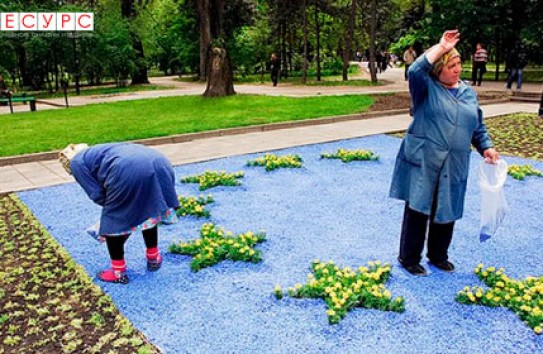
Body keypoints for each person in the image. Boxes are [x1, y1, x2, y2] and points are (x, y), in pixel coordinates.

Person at [390, 29, 499, 276]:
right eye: (450, 65)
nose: (457, 69)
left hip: (454, 162)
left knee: (446, 206)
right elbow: (416, 69)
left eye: (459, 63)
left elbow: (477, 126)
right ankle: (409, 258)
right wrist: (441, 47)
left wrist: (486, 147)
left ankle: (438, 255)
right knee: (418, 207)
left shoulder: (468, 92)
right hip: (425, 160)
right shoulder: (425, 87)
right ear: (438, 69)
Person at [59, 143, 180, 284]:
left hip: (128, 170)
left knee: (113, 223)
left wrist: (116, 214)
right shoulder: (99, 150)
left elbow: (97, 194)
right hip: (159, 162)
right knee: (149, 209)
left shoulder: (76, 163)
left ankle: (118, 272)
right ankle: (153, 258)